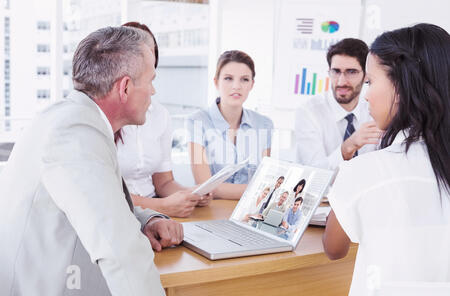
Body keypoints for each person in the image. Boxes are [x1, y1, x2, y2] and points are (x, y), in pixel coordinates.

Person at [0, 26, 183, 296]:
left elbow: (95, 203)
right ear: (125, 87)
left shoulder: (70, 118)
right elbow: (120, 252)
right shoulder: (75, 133)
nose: (153, 91)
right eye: (150, 80)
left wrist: (145, 219)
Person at [322, 23, 450, 296]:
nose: (365, 93)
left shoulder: (364, 171)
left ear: (402, 86)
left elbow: (334, 248)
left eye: (369, 81)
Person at [116, 22, 211, 218]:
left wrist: (189, 194)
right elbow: (106, 196)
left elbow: (164, 182)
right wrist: (162, 206)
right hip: (121, 214)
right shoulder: (107, 117)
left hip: (154, 213)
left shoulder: (160, 115)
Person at [187, 50, 274, 200]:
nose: (236, 86)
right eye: (228, 78)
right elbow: (205, 187)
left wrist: (262, 190)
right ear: (216, 82)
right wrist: (258, 191)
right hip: (212, 212)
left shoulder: (264, 124)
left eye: (244, 80)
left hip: (248, 213)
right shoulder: (197, 122)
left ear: (252, 84)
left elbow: (265, 180)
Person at [295, 38, 384, 170]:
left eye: (351, 72)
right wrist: (348, 147)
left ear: (366, 75)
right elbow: (313, 173)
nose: (341, 81)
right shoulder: (308, 112)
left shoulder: (377, 108)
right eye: (336, 71)